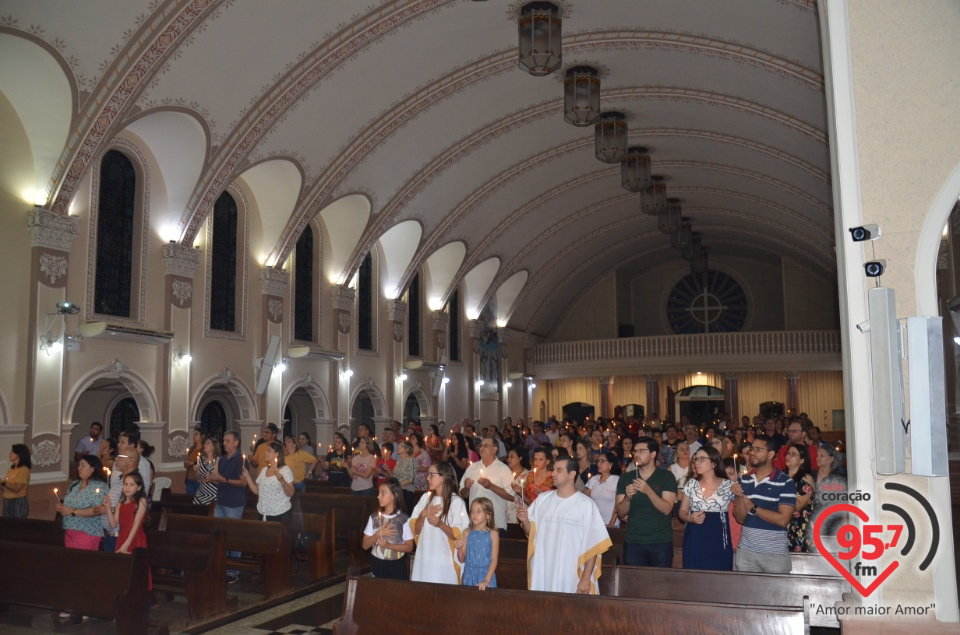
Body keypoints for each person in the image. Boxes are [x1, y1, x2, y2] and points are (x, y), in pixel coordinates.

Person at [517, 456, 612, 594]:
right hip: (546, 567)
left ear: (572, 474)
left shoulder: (586, 505)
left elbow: (593, 544)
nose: (552, 473)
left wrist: (585, 578)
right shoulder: (543, 500)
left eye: (559, 470)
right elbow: (531, 533)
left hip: (571, 572)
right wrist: (524, 520)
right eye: (553, 469)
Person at [732, 436, 797, 573]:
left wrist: (754, 508)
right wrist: (738, 498)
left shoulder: (785, 482)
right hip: (746, 551)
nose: (752, 453)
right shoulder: (744, 480)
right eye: (751, 449)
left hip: (774, 553)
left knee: (776, 594)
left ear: (770, 454)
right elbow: (739, 518)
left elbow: (783, 520)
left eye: (758, 449)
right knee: (746, 594)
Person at [615, 437, 678, 567]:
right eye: (635, 451)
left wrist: (648, 491)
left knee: (660, 584)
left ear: (653, 454)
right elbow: (621, 513)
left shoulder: (666, 477)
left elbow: (667, 509)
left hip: (660, 541)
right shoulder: (627, 477)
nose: (636, 454)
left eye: (641, 451)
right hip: (634, 541)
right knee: (634, 584)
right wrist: (627, 498)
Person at [409, 462, 470, 584]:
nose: (427, 478)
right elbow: (414, 530)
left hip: (445, 560)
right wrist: (422, 515)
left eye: (431, 475)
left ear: (443, 477)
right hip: (424, 556)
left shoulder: (456, 502)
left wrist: (440, 525)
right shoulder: (425, 498)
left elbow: (460, 535)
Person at [679, 446, 735, 570]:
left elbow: (741, 511)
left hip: (718, 533)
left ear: (714, 462)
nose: (697, 463)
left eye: (702, 459)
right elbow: (682, 512)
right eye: (695, 460)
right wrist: (689, 517)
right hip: (695, 532)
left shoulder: (728, 485)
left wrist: (741, 496)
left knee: (719, 572)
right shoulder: (691, 484)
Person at [205, 431, 246, 583]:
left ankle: (233, 570)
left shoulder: (240, 460)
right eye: (223, 440)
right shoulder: (222, 459)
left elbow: (243, 482)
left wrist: (224, 479)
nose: (224, 443)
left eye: (227, 441)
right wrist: (212, 479)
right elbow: (220, 481)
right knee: (219, 536)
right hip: (221, 502)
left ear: (236, 443)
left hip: (234, 503)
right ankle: (220, 566)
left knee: (233, 537)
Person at [102, 471, 152, 589]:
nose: (127, 488)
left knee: (136, 573)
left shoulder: (141, 501)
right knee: (123, 574)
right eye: (125, 484)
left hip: (135, 538)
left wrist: (126, 544)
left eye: (131, 485)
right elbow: (113, 524)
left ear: (139, 487)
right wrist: (108, 508)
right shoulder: (121, 502)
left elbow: (136, 525)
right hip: (122, 537)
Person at [459, 436, 514, 533]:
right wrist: (467, 488)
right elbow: (463, 494)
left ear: (495, 449)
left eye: (486, 446)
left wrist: (491, 486)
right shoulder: (472, 468)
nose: (482, 448)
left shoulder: (503, 469)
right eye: (480, 446)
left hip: (496, 523)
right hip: (475, 524)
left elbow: (511, 496)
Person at [362, 479, 414, 579]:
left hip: (396, 565)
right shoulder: (374, 518)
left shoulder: (404, 519)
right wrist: (378, 534)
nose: (378, 497)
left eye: (383, 493)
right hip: (377, 562)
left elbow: (409, 547)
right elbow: (365, 546)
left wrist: (389, 545)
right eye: (379, 493)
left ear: (395, 495)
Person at [56, 454, 109, 551]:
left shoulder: (100, 486)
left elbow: (97, 510)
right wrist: (61, 508)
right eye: (79, 465)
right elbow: (69, 504)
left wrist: (72, 511)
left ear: (92, 468)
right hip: (70, 530)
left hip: (87, 532)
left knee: (83, 563)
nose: (79, 468)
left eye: (83, 465)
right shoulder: (75, 484)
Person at [242, 440, 295, 521]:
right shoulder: (264, 470)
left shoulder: (285, 470)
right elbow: (257, 491)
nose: (265, 452)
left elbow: (291, 493)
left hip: (280, 513)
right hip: (263, 512)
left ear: (276, 454)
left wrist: (282, 480)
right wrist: (247, 476)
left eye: (269, 451)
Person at [457, 497, 499, 589]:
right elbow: (462, 559)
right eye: (472, 511)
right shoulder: (467, 532)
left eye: (478, 511)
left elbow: (494, 560)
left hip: (486, 574)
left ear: (488, 515)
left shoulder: (493, 534)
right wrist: (459, 548)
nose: (474, 514)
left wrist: (486, 580)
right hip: (469, 574)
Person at [784, 442, 816, 552]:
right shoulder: (781, 477)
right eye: (787, 453)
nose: (788, 456)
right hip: (782, 524)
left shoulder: (806, 478)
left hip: (800, 527)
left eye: (793, 454)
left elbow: (798, 505)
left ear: (802, 460)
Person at [584, 450, 621, 527]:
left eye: (602, 461)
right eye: (598, 461)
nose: (598, 464)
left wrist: (611, 524)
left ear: (611, 464)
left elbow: (618, 505)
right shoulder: (593, 479)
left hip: (610, 523)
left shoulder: (617, 480)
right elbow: (587, 499)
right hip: (594, 522)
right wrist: (586, 495)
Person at [2, 444, 31, 518]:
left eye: (12, 452)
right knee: (7, 525)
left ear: (19, 455)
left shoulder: (24, 470)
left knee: (16, 526)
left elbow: (17, 489)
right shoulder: (11, 469)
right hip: (7, 500)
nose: (10, 454)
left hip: (18, 501)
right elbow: (6, 488)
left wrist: (2, 482)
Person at [505, 447, 531, 524]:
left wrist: (520, 491)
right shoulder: (505, 474)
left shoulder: (528, 475)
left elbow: (530, 496)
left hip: (519, 515)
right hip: (504, 513)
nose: (509, 459)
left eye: (512, 457)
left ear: (520, 458)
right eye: (508, 457)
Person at [722, 457, 743, 550]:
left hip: (740, 539)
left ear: (738, 474)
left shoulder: (744, 492)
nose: (727, 478)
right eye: (724, 474)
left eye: (731, 474)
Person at [193, 435, 220, 506]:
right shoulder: (201, 460)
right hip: (201, 493)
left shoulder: (218, 460)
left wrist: (210, 478)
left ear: (214, 447)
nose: (205, 445)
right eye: (205, 443)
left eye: (208, 443)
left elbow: (218, 479)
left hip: (213, 494)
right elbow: (197, 478)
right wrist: (196, 470)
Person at [393, 440, 417, 511]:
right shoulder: (399, 461)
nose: (398, 447)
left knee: (404, 512)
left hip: (407, 491)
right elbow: (394, 476)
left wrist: (397, 485)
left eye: (401, 446)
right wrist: (387, 469)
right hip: (398, 490)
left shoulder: (411, 460)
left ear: (407, 449)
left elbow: (410, 479)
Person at [183, 426, 203, 496]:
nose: (194, 436)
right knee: (190, 499)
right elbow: (186, 462)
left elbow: (203, 462)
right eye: (193, 434)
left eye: (196, 434)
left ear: (202, 436)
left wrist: (193, 463)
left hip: (198, 479)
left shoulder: (203, 449)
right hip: (189, 479)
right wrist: (186, 464)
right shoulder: (191, 448)